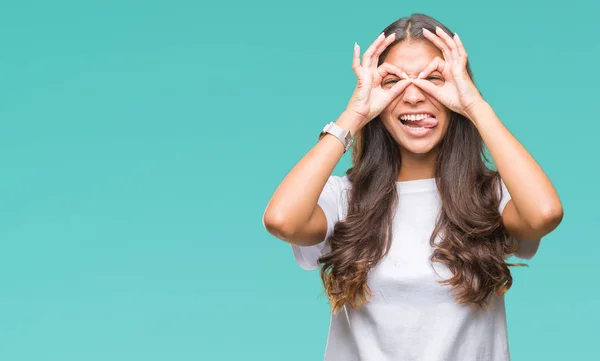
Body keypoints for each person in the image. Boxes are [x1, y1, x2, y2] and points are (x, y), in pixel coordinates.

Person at [262, 13, 563, 361]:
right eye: (395, 82)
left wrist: (475, 106)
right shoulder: (344, 198)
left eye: (433, 78)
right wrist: (354, 116)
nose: (415, 96)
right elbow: (281, 220)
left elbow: (544, 214)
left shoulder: (491, 197)